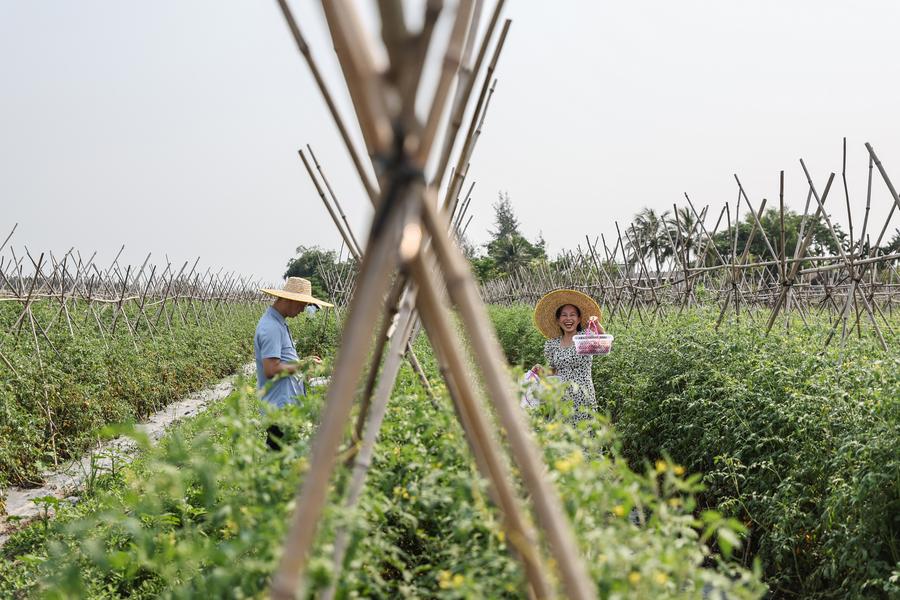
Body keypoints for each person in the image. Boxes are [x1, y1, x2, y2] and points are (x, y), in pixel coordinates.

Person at [256, 277, 333, 448]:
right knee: (279, 457)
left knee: (281, 456)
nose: (303, 310)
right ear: (290, 300)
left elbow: (280, 362)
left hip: (286, 407)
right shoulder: (272, 327)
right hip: (280, 409)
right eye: (302, 305)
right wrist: (303, 365)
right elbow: (271, 369)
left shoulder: (278, 323)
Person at [532, 289, 604, 424]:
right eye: (564, 315)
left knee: (584, 432)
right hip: (561, 398)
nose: (568, 319)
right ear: (558, 320)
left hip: (583, 396)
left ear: (579, 319)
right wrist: (541, 370)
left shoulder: (585, 338)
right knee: (564, 433)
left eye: (572, 315)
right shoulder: (552, 344)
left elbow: (602, 344)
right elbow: (553, 371)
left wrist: (597, 324)